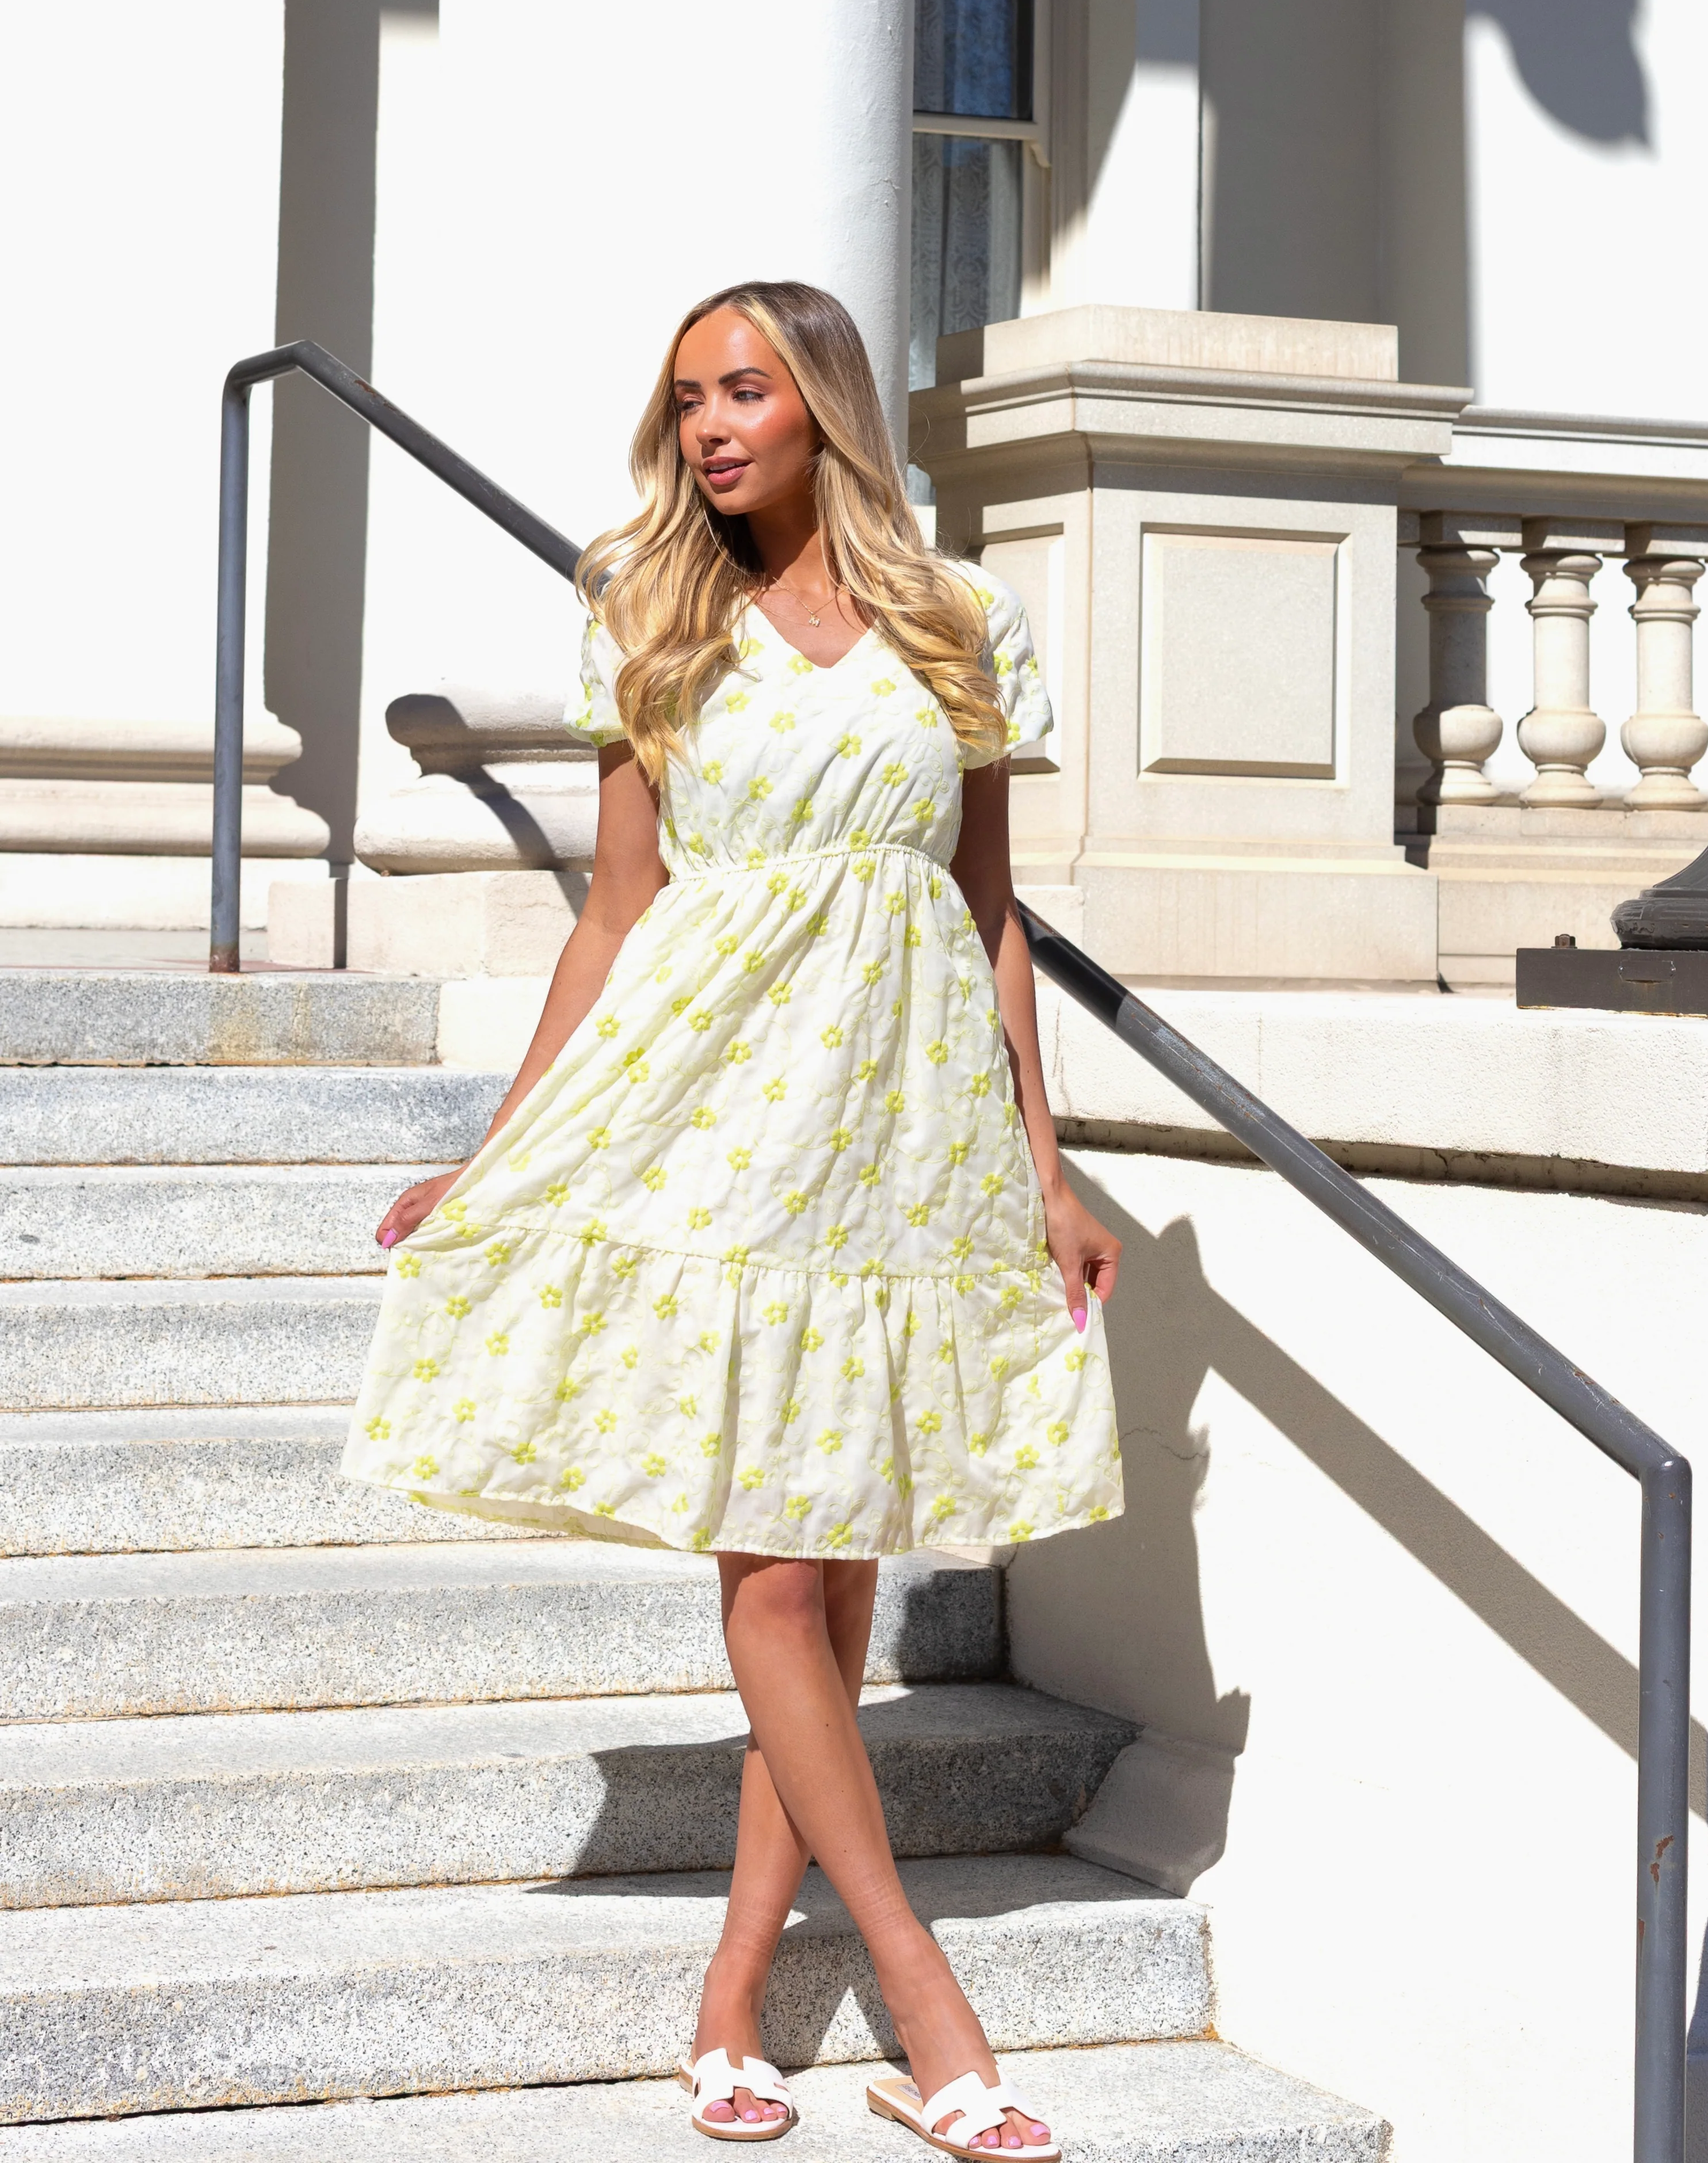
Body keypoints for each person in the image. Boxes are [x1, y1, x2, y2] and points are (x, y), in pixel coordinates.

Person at [343, 279, 1123, 2158]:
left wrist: (1046, 1165)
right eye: (686, 397)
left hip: (907, 1129)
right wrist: (501, 1146)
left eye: (744, 390)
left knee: (835, 1570)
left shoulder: (963, 625)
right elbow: (614, 915)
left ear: (825, 410)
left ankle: (727, 2003)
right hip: (718, 1118)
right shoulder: (655, 616)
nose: (708, 426)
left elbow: (991, 918)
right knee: (773, 1575)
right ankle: (927, 2003)